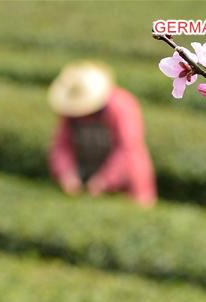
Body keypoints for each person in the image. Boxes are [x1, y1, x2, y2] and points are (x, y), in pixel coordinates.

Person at [47, 62, 157, 206]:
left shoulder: (120, 106)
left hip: (128, 183)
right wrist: (67, 173)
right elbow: (61, 145)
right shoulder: (71, 113)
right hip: (89, 176)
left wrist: (105, 180)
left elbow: (128, 148)